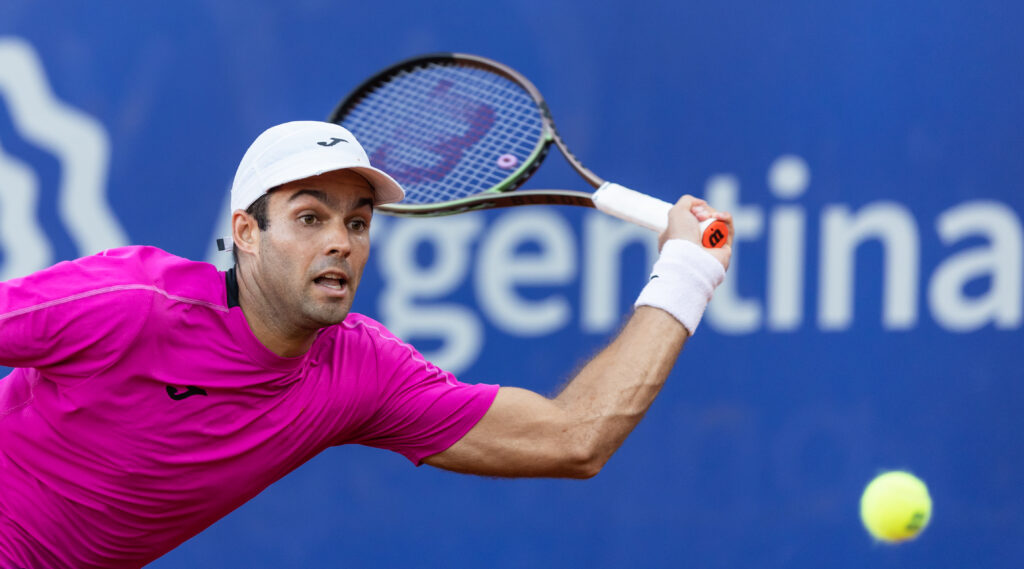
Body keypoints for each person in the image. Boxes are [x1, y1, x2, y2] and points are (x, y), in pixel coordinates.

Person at [0, 121, 732, 568]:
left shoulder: (359, 370)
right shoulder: (130, 303)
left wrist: (688, 270)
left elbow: (574, 439)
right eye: (310, 217)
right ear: (247, 233)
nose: (340, 243)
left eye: (356, 223)